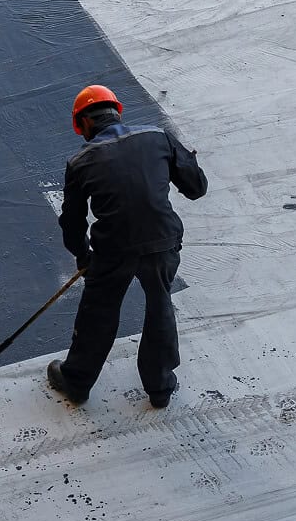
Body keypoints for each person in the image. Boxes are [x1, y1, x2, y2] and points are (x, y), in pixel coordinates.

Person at [47, 85, 208, 408]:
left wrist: (83, 257)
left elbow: (73, 223)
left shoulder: (80, 162)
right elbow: (196, 188)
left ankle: (77, 382)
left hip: (114, 248)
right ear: (117, 111)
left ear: (84, 124)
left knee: (99, 309)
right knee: (160, 303)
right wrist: (186, 161)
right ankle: (160, 387)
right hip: (162, 240)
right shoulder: (158, 137)